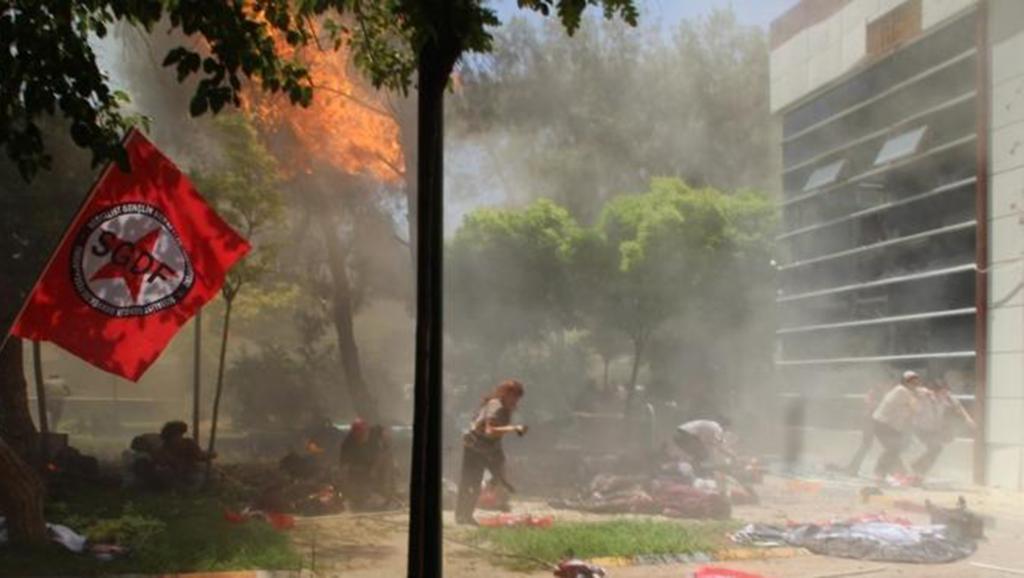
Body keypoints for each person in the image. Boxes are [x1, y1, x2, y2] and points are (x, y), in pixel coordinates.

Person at [455, 379, 528, 526]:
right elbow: (490, 431)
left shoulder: (504, 408)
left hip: (486, 447)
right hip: (475, 447)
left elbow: (495, 438)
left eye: (517, 397)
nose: (515, 400)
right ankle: (463, 517)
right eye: (513, 396)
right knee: (471, 483)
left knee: (482, 481)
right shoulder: (497, 406)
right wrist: (514, 429)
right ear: (505, 393)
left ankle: (465, 516)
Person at [911, 379, 977, 480]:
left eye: (946, 392)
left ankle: (919, 469)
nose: (945, 395)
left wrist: (968, 419)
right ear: (936, 391)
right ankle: (917, 467)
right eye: (943, 392)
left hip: (933, 428)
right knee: (935, 448)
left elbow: (959, 408)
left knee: (937, 448)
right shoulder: (926, 395)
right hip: (920, 427)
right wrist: (926, 391)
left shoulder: (948, 398)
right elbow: (914, 390)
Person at [871, 370, 921, 481]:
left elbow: (911, 410)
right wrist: (920, 395)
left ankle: (897, 472)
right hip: (883, 423)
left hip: (891, 425)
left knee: (896, 448)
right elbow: (915, 407)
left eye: (916, 382)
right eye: (912, 382)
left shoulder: (905, 391)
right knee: (894, 447)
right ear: (905, 382)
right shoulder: (901, 390)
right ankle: (880, 472)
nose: (915, 385)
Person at [843, 381, 897, 476]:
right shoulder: (875, 392)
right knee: (866, 444)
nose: (889, 386)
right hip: (870, 421)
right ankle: (853, 468)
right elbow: (870, 403)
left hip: (879, 423)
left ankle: (892, 470)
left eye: (890, 385)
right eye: (888, 384)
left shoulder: (889, 394)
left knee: (890, 446)